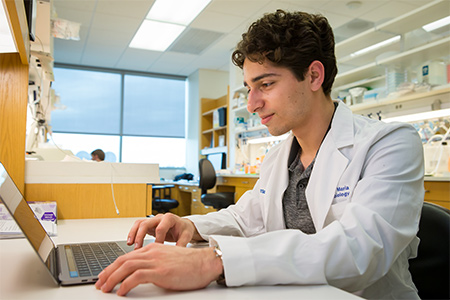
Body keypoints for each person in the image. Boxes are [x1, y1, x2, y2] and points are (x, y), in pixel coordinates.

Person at [95, 10, 424, 299]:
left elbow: (361, 250)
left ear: (313, 75)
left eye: (265, 84)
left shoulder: (389, 143)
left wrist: (216, 261)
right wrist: (189, 226)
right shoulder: (279, 156)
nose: (252, 104)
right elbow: (244, 219)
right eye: (249, 88)